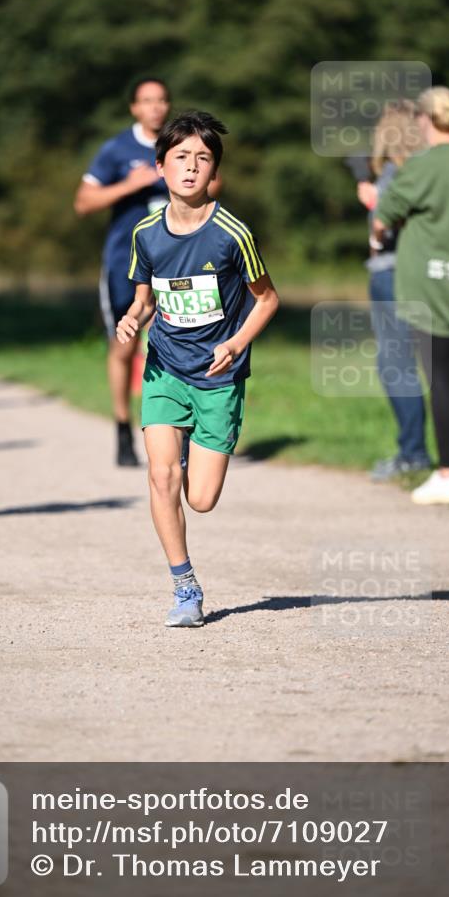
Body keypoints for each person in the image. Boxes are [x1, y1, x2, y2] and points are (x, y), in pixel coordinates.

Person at [117, 111, 279, 627]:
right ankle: (185, 587)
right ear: (160, 166)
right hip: (163, 366)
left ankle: (188, 450)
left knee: (202, 499)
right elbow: (144, 302)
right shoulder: (145, 234)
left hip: (218, 377)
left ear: (214, 173)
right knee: (161, 477)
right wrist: (130, 318)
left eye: (202, 159)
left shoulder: (232, 233)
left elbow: (268, 300)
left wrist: (236, 342)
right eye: (181, 158)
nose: (191, 168)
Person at [373, 87, 449, 505]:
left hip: (431, 286)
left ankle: (445, 474)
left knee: (439, 378)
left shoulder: (424, 164)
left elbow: (385, 215)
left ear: (425, 120)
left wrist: (377, 235)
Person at [74, 78, 172, 466]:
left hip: (175, 262)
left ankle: (168, 430)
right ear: (134, 108)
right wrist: (128, 186)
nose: (155, 108)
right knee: (124, 345)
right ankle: (122, 428)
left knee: (169, 342)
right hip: (125, 264)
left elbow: (215, 182)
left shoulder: (180, 143)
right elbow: (83, 202)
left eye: (161, 100)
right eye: (147, 101)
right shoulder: (117, 150)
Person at [350, 102, 431, 481]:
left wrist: (375, 206)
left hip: (392, 272)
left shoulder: (399, 172)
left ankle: (413, 453)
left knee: (396, 365)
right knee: (415, 363)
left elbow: (393, 222)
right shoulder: (419, 169)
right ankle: (420, 452)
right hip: (409, 272)